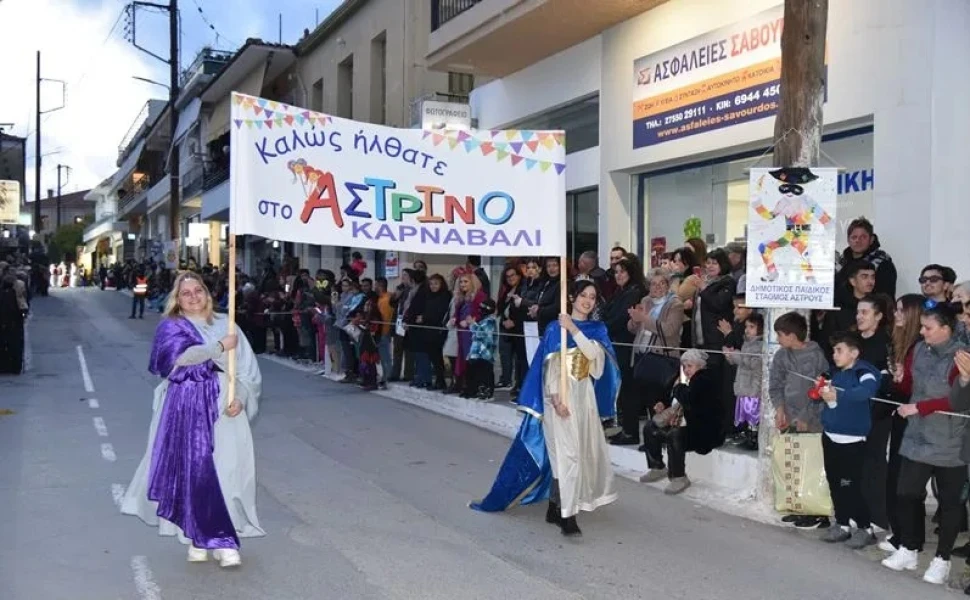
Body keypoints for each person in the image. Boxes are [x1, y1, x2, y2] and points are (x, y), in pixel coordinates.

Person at [121, 272, 264, 568]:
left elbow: (248, 370)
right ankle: (210, 539)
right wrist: (220, 347)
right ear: (177, 299)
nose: (194, 296)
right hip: (183, 409)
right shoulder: (171, 327)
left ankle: (210, 536)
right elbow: (179, 360)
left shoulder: (228, 323)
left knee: (226, 470)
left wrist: (243, 398)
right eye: (186, 293)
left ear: (207, 294)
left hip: (224, 406)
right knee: (194, 472)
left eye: (198, 290)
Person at [470, 281, 621, 537]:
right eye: (583, 295)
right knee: (568, 455)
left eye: (592, 297)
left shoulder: (596, 329)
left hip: (584, 399)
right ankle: (568, 516)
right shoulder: (554, 329)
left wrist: (573, 329)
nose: (587, 300)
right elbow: (548, 368)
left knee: (574, 456)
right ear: (572, 297)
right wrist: (555, 398)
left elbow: (595, 362)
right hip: (559, 400)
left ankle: (554, 505)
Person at [882, 301, 967, 584]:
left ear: (945, 329)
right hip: (918, 435)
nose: (922, 332)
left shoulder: (961, 356)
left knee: (950, 503)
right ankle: (909, 546)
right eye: (922, 327)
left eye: (928, 328)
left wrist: (920, 407)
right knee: (906, 492)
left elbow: (956, 401)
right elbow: (911, 388)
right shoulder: (919, 349)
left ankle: (941, 559)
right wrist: (900, 379)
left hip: (950, 440)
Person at [816, 331, 882, 548]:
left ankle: (866, 528)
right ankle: (842, 524)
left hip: (852, 441)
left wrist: (839, 395)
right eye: (834, 351)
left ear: (854, 353)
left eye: (839, 351)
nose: (834, 355)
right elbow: (829, 401)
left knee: (851, 486)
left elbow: (866, 391)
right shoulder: (835, 373)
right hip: (830, 437)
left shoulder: (864, 372)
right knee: (835, 483)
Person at [768, 311, 832, 528]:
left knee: (811, 465)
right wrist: (780, 410)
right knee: (792, 462)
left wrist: (806, 417)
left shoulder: (816, 356)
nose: (778, 339)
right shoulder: (781, 356)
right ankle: (798, 505)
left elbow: (820, 391)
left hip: (812, 420)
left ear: (792, 335)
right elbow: (775, 385)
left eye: (780, 335)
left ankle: (817, 512)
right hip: (790, 418)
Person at [639, 349, 723, 495]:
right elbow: (668, 397)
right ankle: (657, 467)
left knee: (675, 433)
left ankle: (678, 477)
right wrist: (662, 405)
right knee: (650, 427)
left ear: (700, 366)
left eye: (690, 366)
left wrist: (679, 388)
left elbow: (691, 402)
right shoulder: (681, 379)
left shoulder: (704, 380)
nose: (686, 369)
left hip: (701, 431)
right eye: (684, 366)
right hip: (683, 424)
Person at [724, 313, 764, 451]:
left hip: (752, 388)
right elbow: (742, 362)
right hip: (744, 385)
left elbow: (754, 364)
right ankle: (747, 435)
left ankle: (753, 439)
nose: (747, 330)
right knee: (746, 416)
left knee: (753, 415)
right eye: (746, 326)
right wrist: (732, 356)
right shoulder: (747, 343)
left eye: (752, 327)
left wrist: (736, 355)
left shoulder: (759, 346)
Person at [464, 298, 498, 400]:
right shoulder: (483, 320)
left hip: (486, 354)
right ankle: (475, 390)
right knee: (476, 372)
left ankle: (487, 392)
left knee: (485, 373)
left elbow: (481, 333)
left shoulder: (490, 321)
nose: (480, 310)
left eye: (483, 308)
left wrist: (472, 323)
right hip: (477, 353)